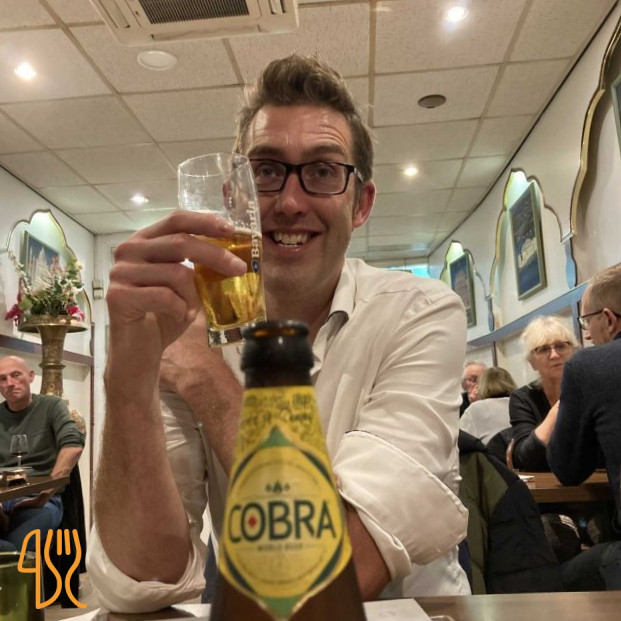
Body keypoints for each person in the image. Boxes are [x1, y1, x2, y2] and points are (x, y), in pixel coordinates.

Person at [87, 54, 470, 613]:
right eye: (266, 170)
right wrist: (127, 376)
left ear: (360, 204)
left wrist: (205, 378)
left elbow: (342, 570)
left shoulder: (421, 312)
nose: (290, 203)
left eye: (323, 171)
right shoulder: (183, 327)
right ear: (233, 198)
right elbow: (142, 577)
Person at [548, 264, 621, 535]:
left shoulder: (588, 365)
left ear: (609, 319)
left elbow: (568, 470)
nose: (587, 334)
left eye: (587, 321)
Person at [0, 355, 84, 552]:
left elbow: (73, 446)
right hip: (2, 498)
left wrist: (44, 495)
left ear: (31, 376)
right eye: (2, 379)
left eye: (15, 375)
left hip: (37, 500)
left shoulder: (51, 406)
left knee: (18, 551)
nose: (9, 383)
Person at [509, 316, 579, 471]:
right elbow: (526, 458)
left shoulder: (591, 388)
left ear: (573, 351)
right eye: (544, 349)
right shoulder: (522, 398)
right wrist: (564, 402)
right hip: (545, 483)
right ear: (532, 362)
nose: (554, 355)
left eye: (560, 346)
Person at [460, 367, 517, 444]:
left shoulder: (475, 409)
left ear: (482, 385)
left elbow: (459, 441)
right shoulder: (520, 404)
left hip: (490, 451)